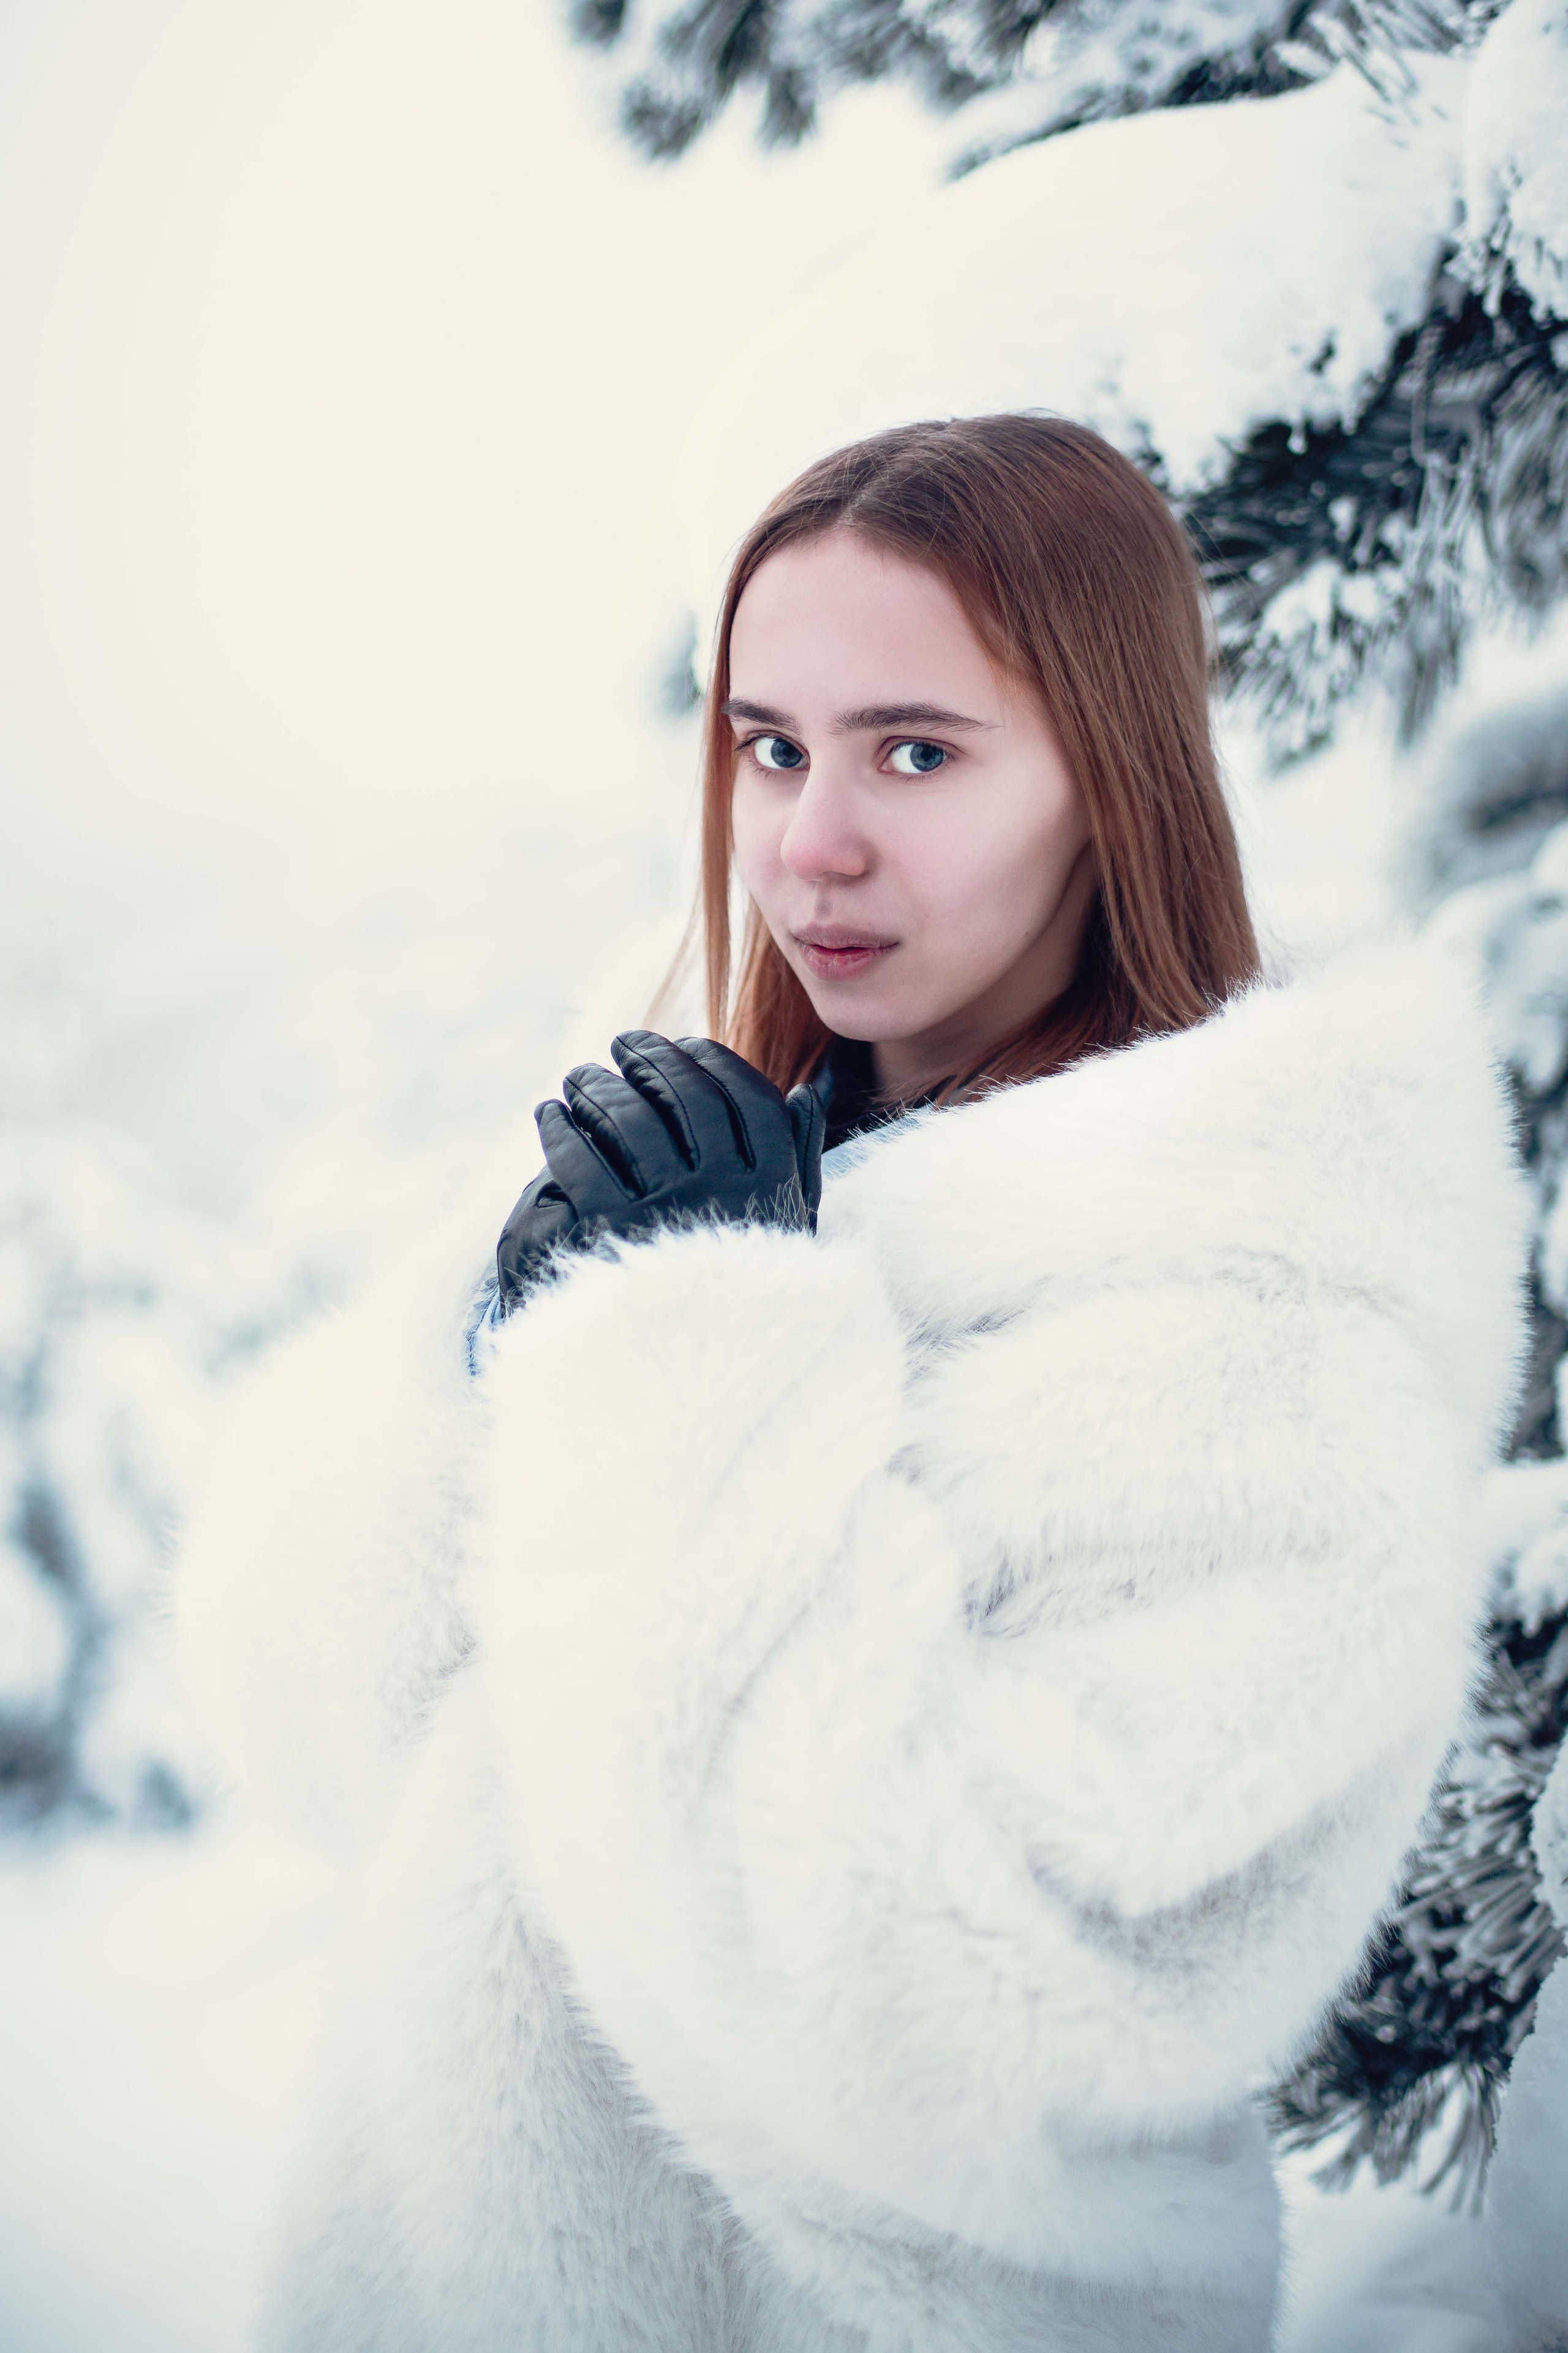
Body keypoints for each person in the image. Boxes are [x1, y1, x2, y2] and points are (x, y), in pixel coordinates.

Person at [176, 415, 1528, 2353]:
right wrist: (502, 1361)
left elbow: (960, 2017)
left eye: (915, 750)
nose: (810, 838)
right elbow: (342, 1747)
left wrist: (690, 1373)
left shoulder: (1269, 1328)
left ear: (1113, 778)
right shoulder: (746, 1161)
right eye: (770, 745)